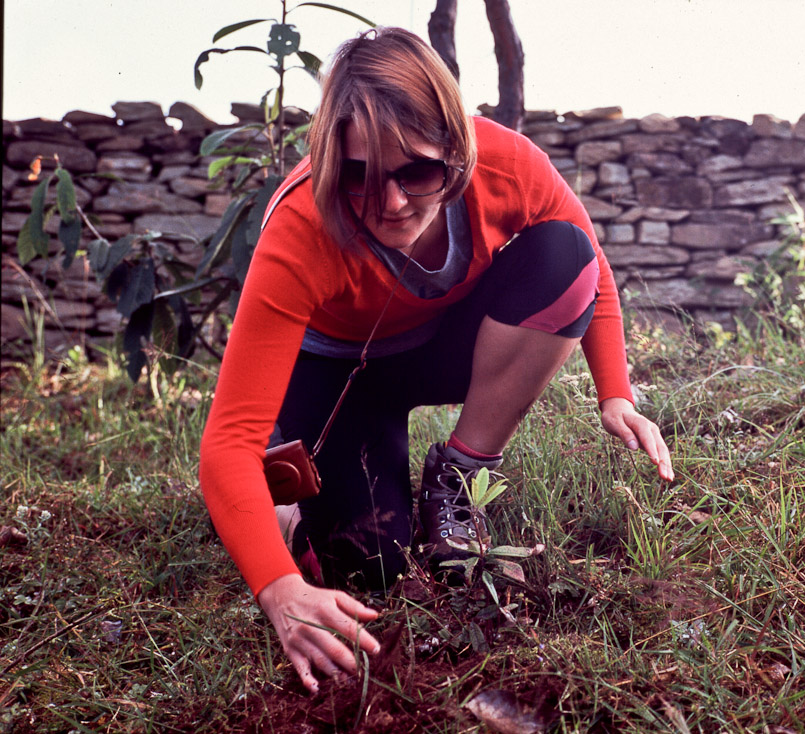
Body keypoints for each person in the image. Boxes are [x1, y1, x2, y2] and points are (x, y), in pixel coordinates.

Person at [198, 26, 673, 695]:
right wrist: (276, 590)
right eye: (359, 174)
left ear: (455, 148)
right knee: (367, 564)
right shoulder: (300, 226)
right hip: (338, 374)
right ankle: (290, 490)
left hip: (438, 346)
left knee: (562, 250)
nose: (389, 203)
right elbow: (223, 445)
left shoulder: (508, 164)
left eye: (416, 171)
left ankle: (460, 473)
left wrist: (615, 393)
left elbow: (587, 273)